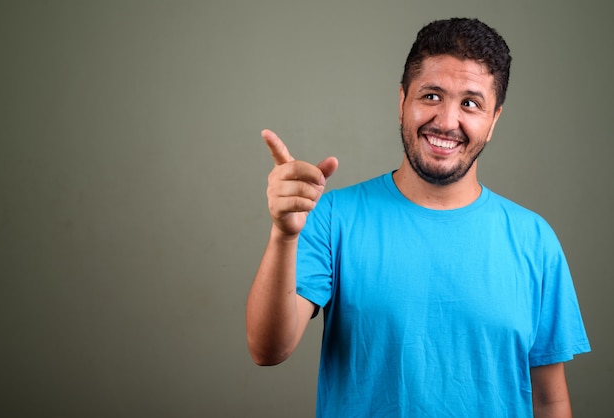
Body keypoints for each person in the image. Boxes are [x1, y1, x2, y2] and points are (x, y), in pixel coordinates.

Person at [246, 17, 590, 417]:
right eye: (430, 96)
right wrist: (283, 236)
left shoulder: (535, 240)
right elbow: (267, 350)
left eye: (470, 103)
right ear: (402, 102)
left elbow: (549, 399)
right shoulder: (332, 218)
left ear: (493, 120)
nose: (446, 121)